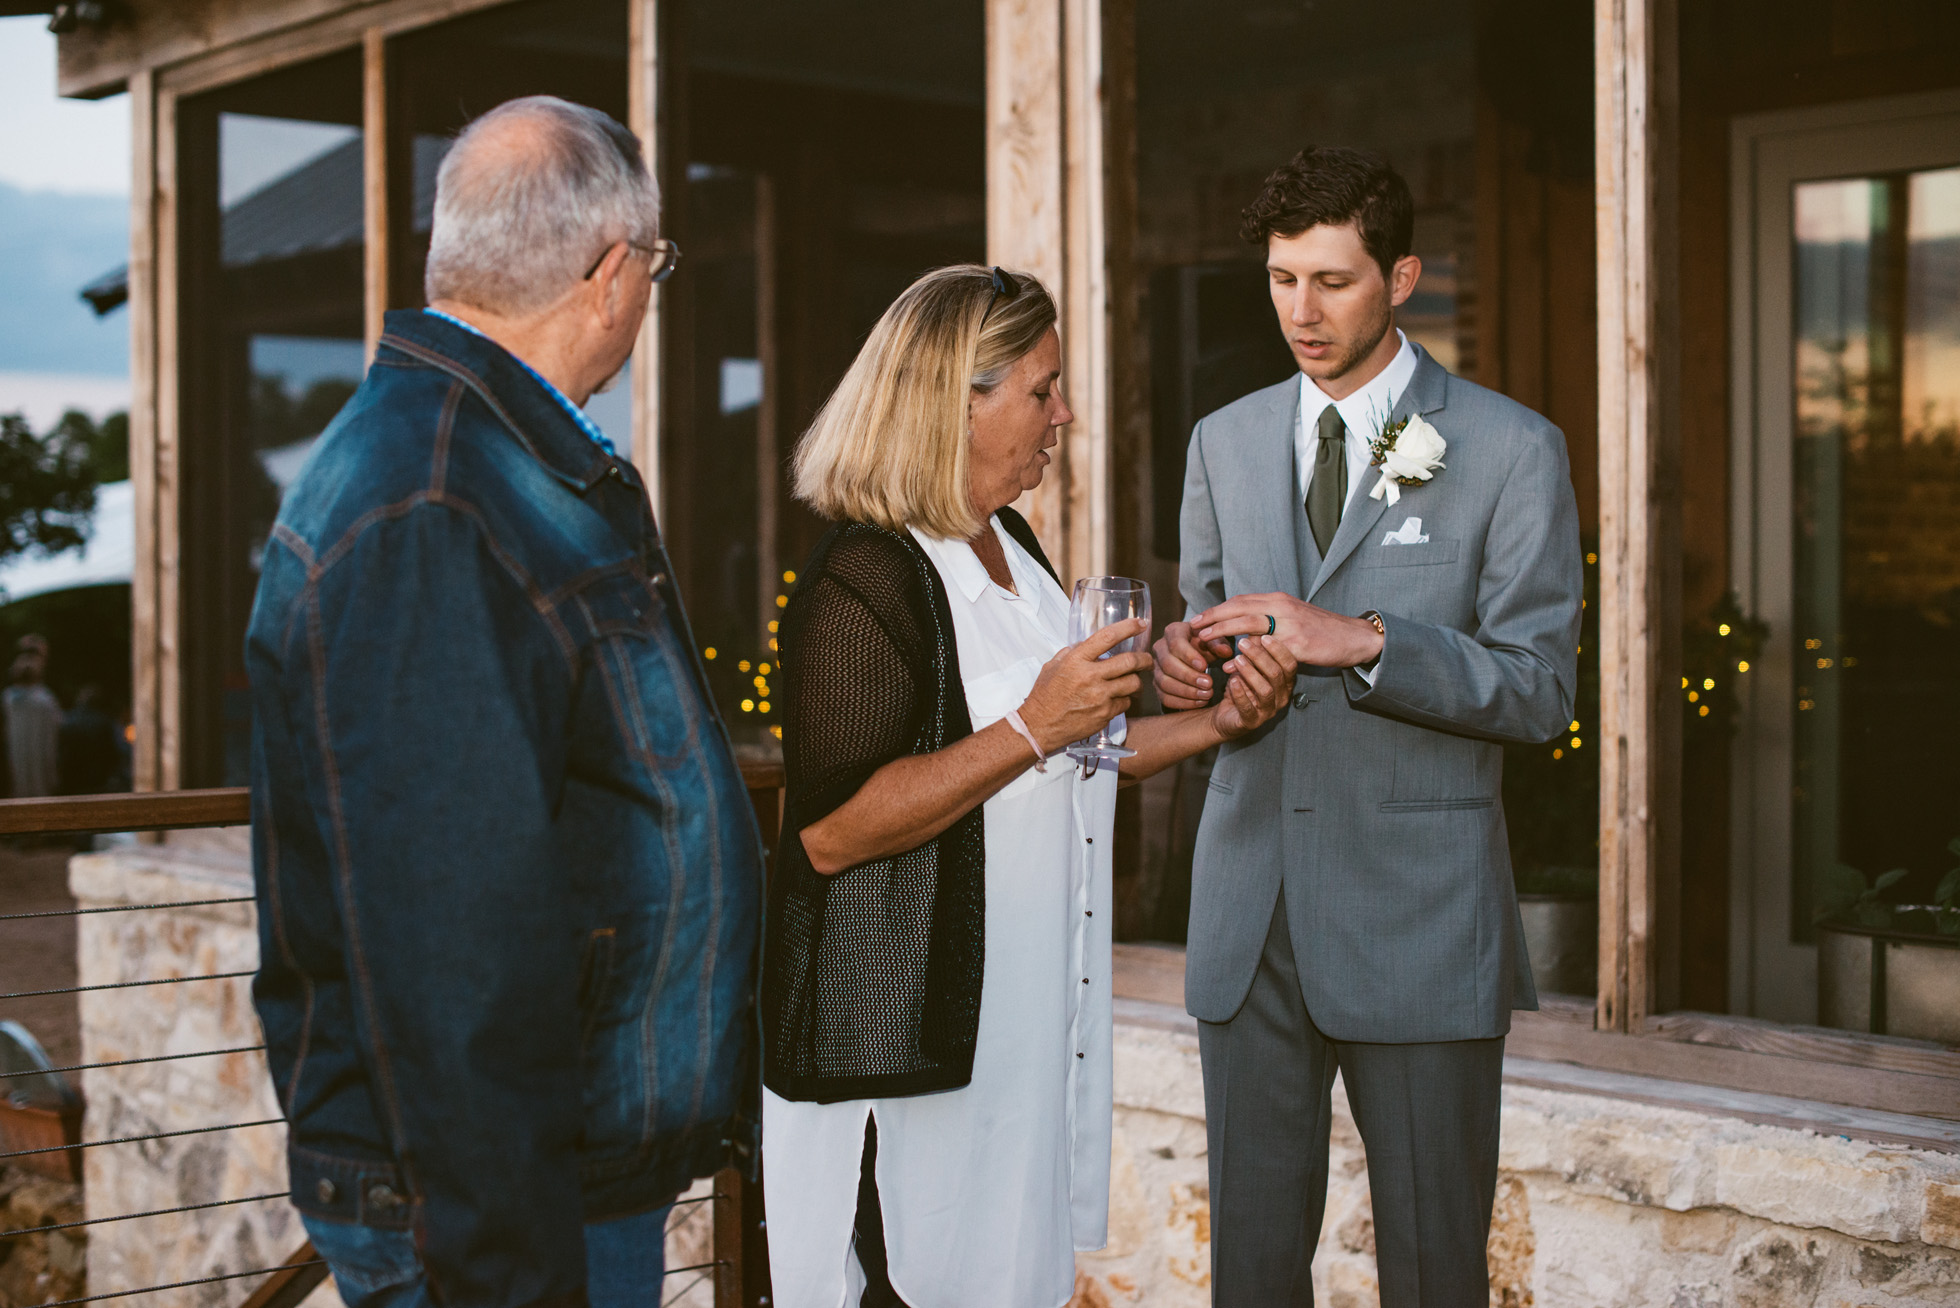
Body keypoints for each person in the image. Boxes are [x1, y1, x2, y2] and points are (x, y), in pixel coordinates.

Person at [246, 97, 762, 1308]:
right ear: (612, 275)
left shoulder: (487, 462)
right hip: (507, 1207)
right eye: (657, 269)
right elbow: (447, 949)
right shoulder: (436, 503)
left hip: (552, 1172)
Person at [760, 264, 1299, 1308]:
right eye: (1042, 389)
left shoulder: (1008, 541)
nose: (1065, 414)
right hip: (910, 1048)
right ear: (955, 401)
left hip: (1021, 1025)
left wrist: (1218, 723)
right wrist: (1027, 726)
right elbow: (831, 833)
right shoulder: (862, 579)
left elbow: (1074, 755)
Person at [1152, 146, 1583, 1305]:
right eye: (1282, 279)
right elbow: (1207, 639)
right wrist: (1184, 671)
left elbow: (1539, 690)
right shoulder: (1221, 440)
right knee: (1249, 1279)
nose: (1301, 310)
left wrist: (1367, 640)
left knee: (1435, 1276)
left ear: (1400, 279)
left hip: (1420, 924)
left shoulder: (1510, 449)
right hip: (1249, 918)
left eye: (1332, 281)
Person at [4, 649, 61, 798]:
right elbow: (58, 723)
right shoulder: (45, 698)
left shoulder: (9, 697)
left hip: (20, 751)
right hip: (40, 749)